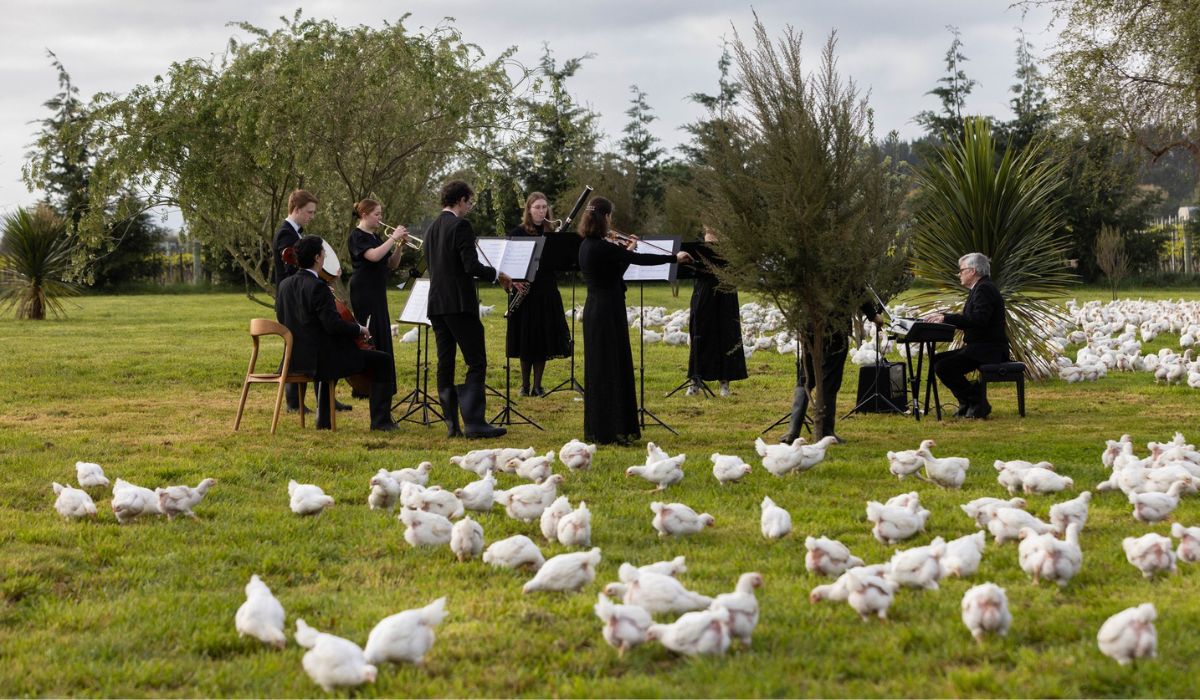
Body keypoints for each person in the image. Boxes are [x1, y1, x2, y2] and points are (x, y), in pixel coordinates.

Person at [577, 197, 692, 445]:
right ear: (605, 217)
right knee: (611, 368)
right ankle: (612, 430)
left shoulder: (587, 245)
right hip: (606, 312)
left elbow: (614, 272)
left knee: (603, 368)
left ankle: (605, 428)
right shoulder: (602, 247)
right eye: (610, 217)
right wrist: (674, 258)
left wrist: (625, 251)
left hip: (598, 310)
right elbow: (641, 260)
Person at [274, 236, 400, 431]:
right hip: (320, 361)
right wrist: (359, 329)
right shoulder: (318, 287)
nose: (325, 256)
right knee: (382, 360)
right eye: (323, 253)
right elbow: (333, 326)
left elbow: (284, 319)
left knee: (328, 354)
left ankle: (323, 421)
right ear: (317, 258)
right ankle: (381, 421)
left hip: (294, 359)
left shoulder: (284, 286)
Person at [425, 180, 514, 439]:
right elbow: (470, 266)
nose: (470, 207)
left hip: (437, 304)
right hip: (459, 304)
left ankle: (452, 425)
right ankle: (475, 422)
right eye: (469, 202)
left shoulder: (431, 228)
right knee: (476, 360)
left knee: (446, 362)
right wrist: (498, 274)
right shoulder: (460, 225)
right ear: (461, 200)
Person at [271, 189, 350, 415]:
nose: (311, 216)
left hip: (299, 296)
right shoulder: (286, 234)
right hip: (295, 299)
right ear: (296, 209)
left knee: (315, 342)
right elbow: (294, 269)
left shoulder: (295, 233)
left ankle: (325, 397)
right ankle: (296, 401)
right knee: (300, 345)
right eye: (309, 212)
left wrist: (325, 275)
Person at [781, 298, 884, 444]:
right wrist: (873, 315)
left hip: (808, 323)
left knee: (805, 377)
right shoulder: (843, 273)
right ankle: (825, 432)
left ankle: (792, 431)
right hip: (835, 325)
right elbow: (857, 289)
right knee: (830, 379)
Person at [923, 252, 1009, 419]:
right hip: (980, 347)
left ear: (973, 270)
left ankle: (976, 401)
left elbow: (978, 319)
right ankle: (967, 402)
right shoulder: (981, 287)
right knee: (938, 361)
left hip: (988, 349)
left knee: (944, 366)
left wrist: (946, 318)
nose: (959, 274)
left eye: (961, 270)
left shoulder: (984, 288)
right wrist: (945, 318)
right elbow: (972, 319)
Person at [506, 192, 572, 396]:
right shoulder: (517, 233)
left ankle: (537, 385)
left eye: (544, 207)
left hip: (546, 291)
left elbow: (560, 263)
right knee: (527, 337)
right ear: (529, 210)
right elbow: (508, 262)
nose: (541, 211)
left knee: (543, 337)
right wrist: (514, 281)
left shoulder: (552, 233)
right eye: (537, 207)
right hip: (524, 290)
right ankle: (524, 386)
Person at [347, 199, 408, 399]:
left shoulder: (376, 237)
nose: (380, 218)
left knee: (381, 331)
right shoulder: (357, 236)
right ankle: (364, 385)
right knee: (369, 333)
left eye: (381, 214)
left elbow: (391, 264)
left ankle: (383, 384)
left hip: (377, 289)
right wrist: (393, 239)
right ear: (364, 215)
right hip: (363, 290)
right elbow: (372, 256)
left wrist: (399, 245)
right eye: (377, 214)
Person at [685, 226, 747, 397]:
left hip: (726, 291)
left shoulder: (731, 248)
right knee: (700, 331)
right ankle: (695, 379)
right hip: (704, 291)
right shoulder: (698, 248)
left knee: (727, 332)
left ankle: (724, 382)